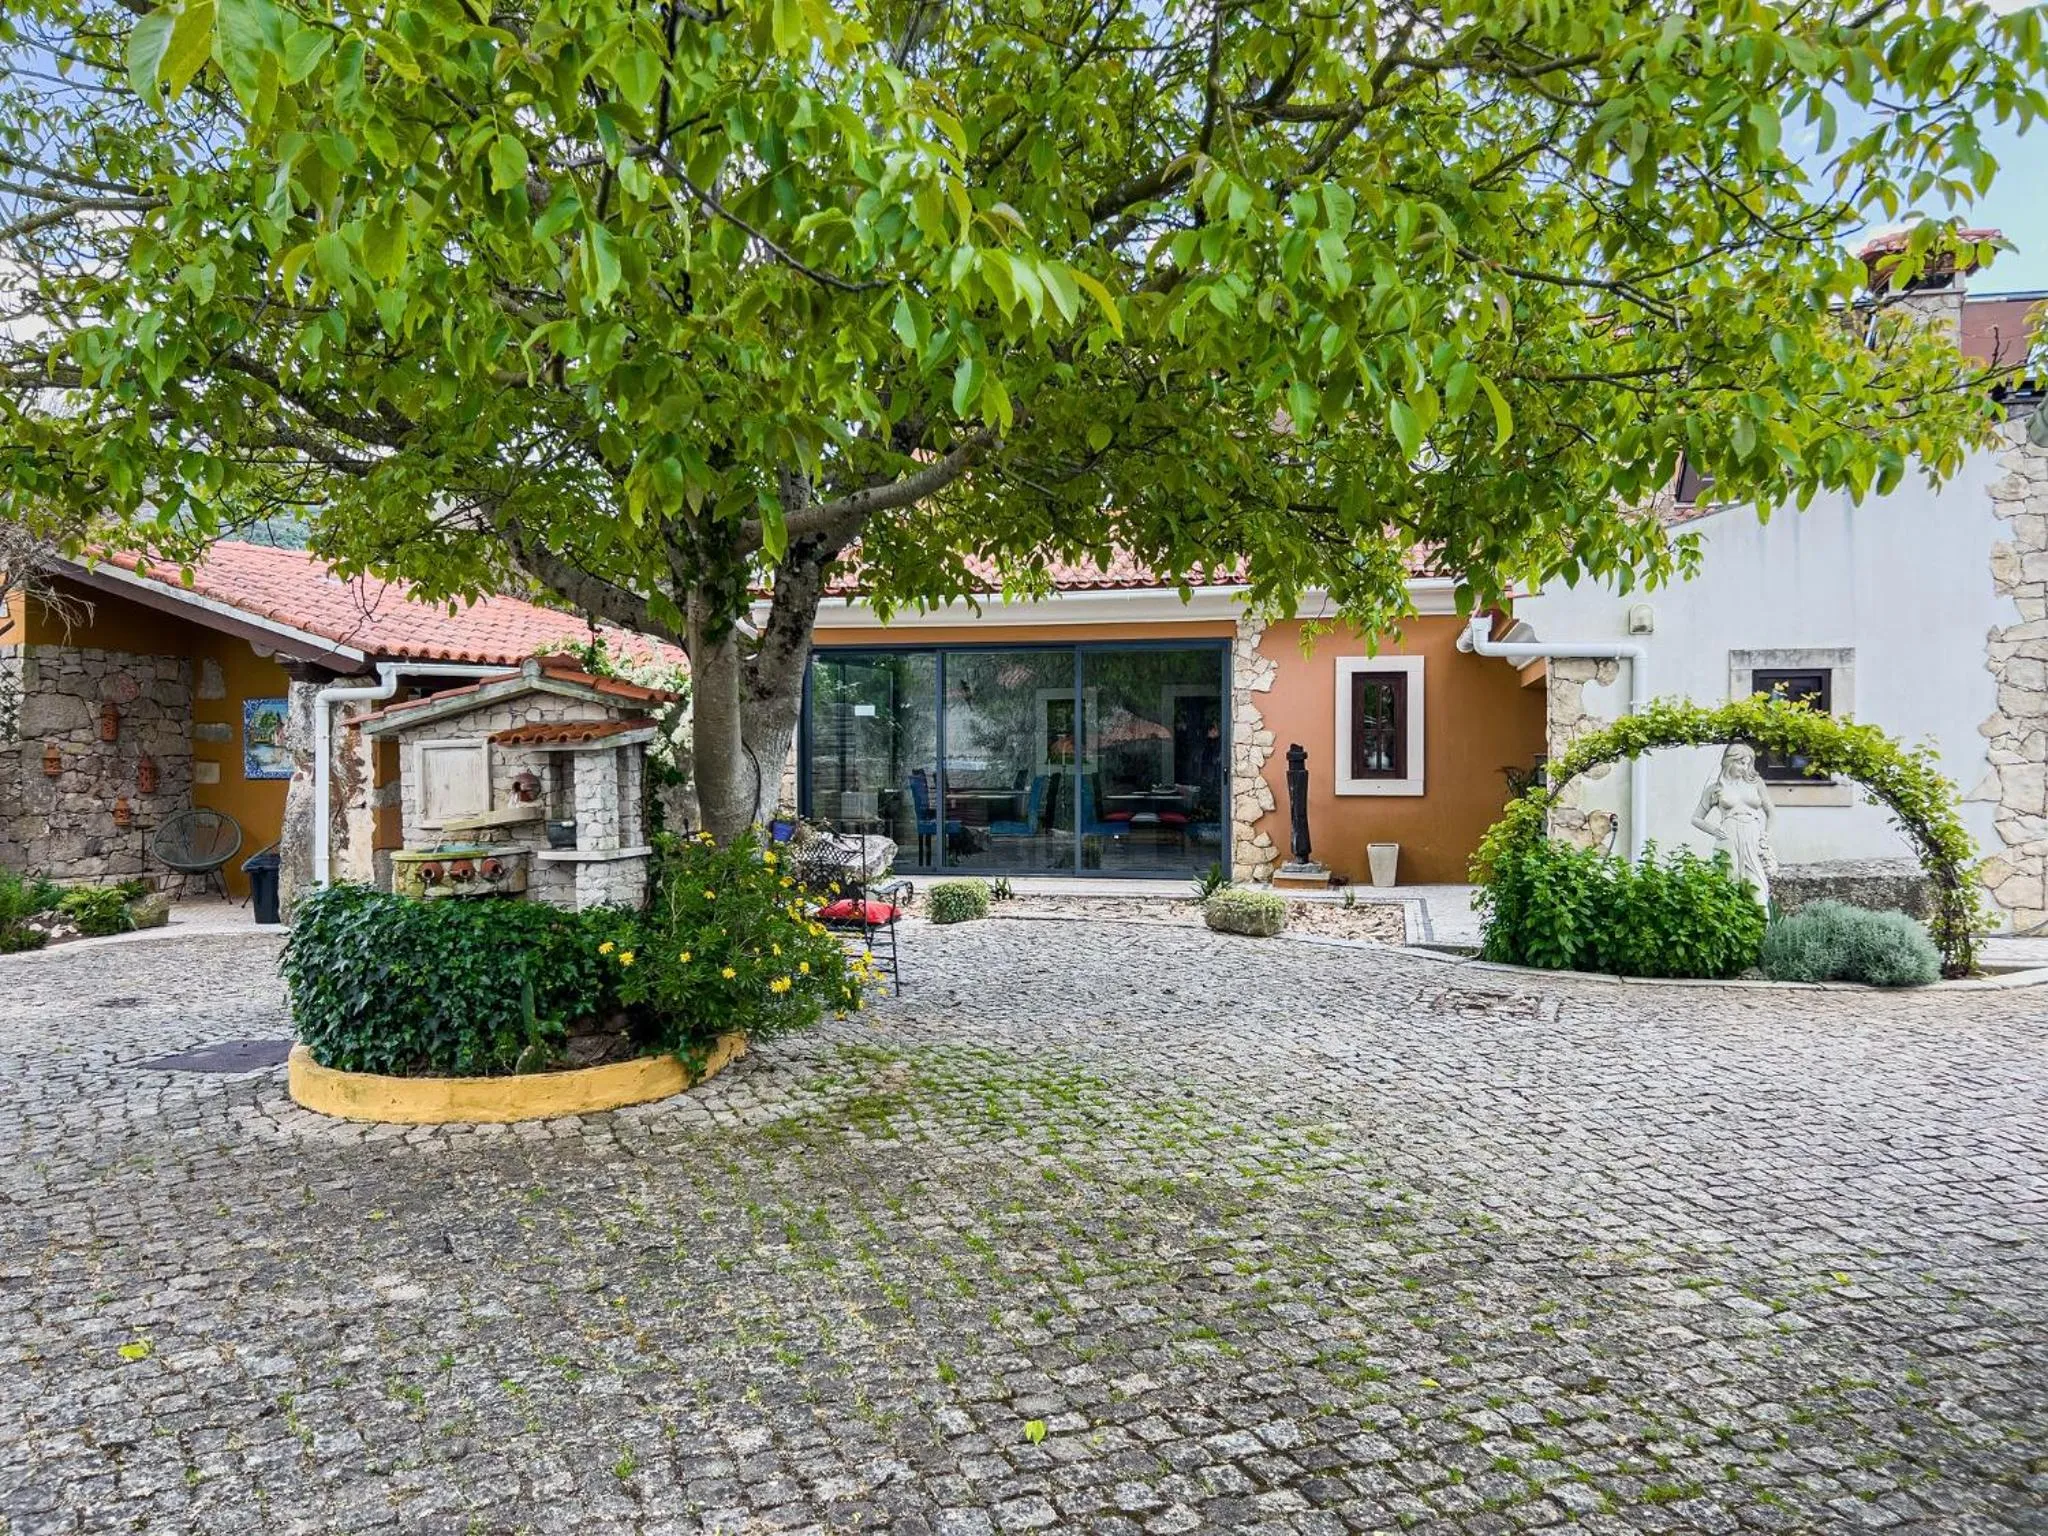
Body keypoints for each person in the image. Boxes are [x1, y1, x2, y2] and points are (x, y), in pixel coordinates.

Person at [1691, 743, 1777, 906]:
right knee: (1729, 885)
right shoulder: (1715, 788)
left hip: (1753, 838)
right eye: (1740, 762)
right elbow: (1696, 818)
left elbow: (1771, 813)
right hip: (1729, 839)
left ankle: (1763, 931)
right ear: (1729, 762)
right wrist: (1714, 830)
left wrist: (1766, 835)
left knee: (1759, 893)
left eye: (1747, 763)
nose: (1744, 767)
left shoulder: (1756, 783)